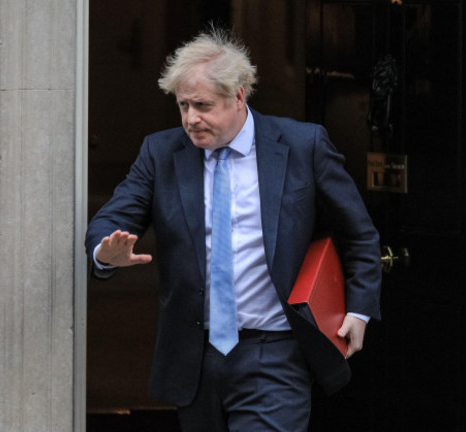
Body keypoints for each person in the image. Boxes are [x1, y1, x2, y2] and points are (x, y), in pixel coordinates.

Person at [85, 28, 381, 432]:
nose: (191, 118)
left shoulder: (302, 146)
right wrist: (105, 252)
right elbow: (112, 217)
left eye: (203, 105)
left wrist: (360, 310)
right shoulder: (160, 152)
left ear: (239, 96)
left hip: (274, 352)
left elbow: (358, 233)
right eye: (183, 105)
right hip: (194, 356)